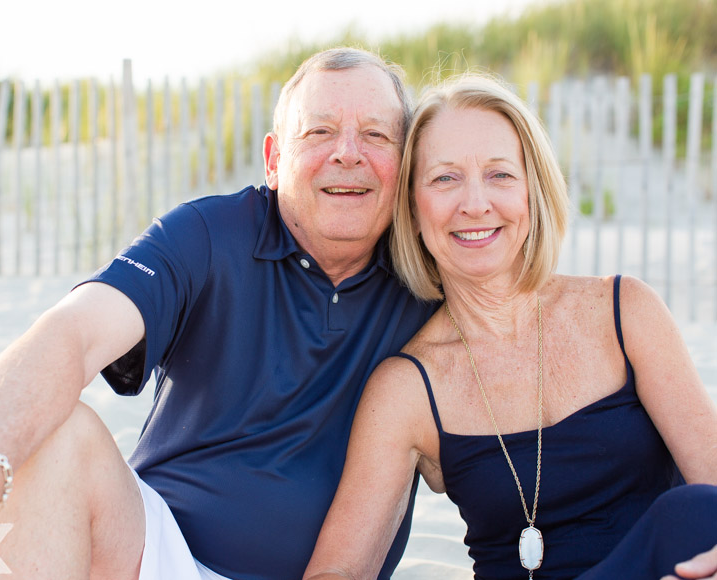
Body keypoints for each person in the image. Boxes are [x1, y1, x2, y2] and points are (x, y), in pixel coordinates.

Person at [0, 48, 435, 580]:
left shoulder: (433, 278)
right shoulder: (206, 235)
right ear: (273, 160)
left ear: (404, 165)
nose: (347, 152)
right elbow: (73, 333)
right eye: (318, 132)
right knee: (60, 431)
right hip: (155, 553)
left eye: (376, 135)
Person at [303, 74, 717, 580]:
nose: (475, 204)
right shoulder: (406, 389)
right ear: (411, 210)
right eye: (444, 178)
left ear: (531, 192)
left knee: (694, 515)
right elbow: (336, 571)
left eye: (499, 175)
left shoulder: (625, 312)